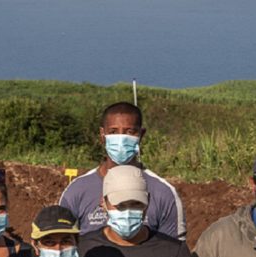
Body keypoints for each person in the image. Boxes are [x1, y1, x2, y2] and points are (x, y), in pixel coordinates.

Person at [59, 102, 186, 239]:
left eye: (129, 132)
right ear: (102, 134)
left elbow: (173, 251)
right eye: (113, 132)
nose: (120, 139)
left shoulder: (164, 193)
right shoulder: (77, 191)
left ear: (141, 134)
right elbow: (63, 245)